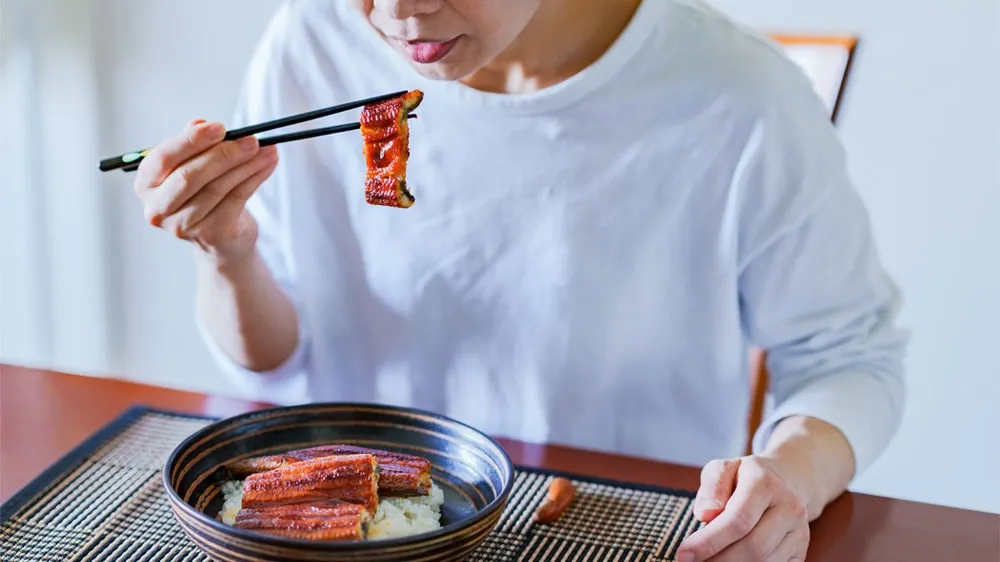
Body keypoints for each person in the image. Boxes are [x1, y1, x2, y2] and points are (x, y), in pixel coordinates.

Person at [131, 0, 908, 559]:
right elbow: (278, 358)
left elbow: (850, 358)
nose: (400, 12)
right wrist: (226, 250)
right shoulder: (312, 41)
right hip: (338, 534)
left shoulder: (740, 96)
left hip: (616, 531)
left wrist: (784, 480)